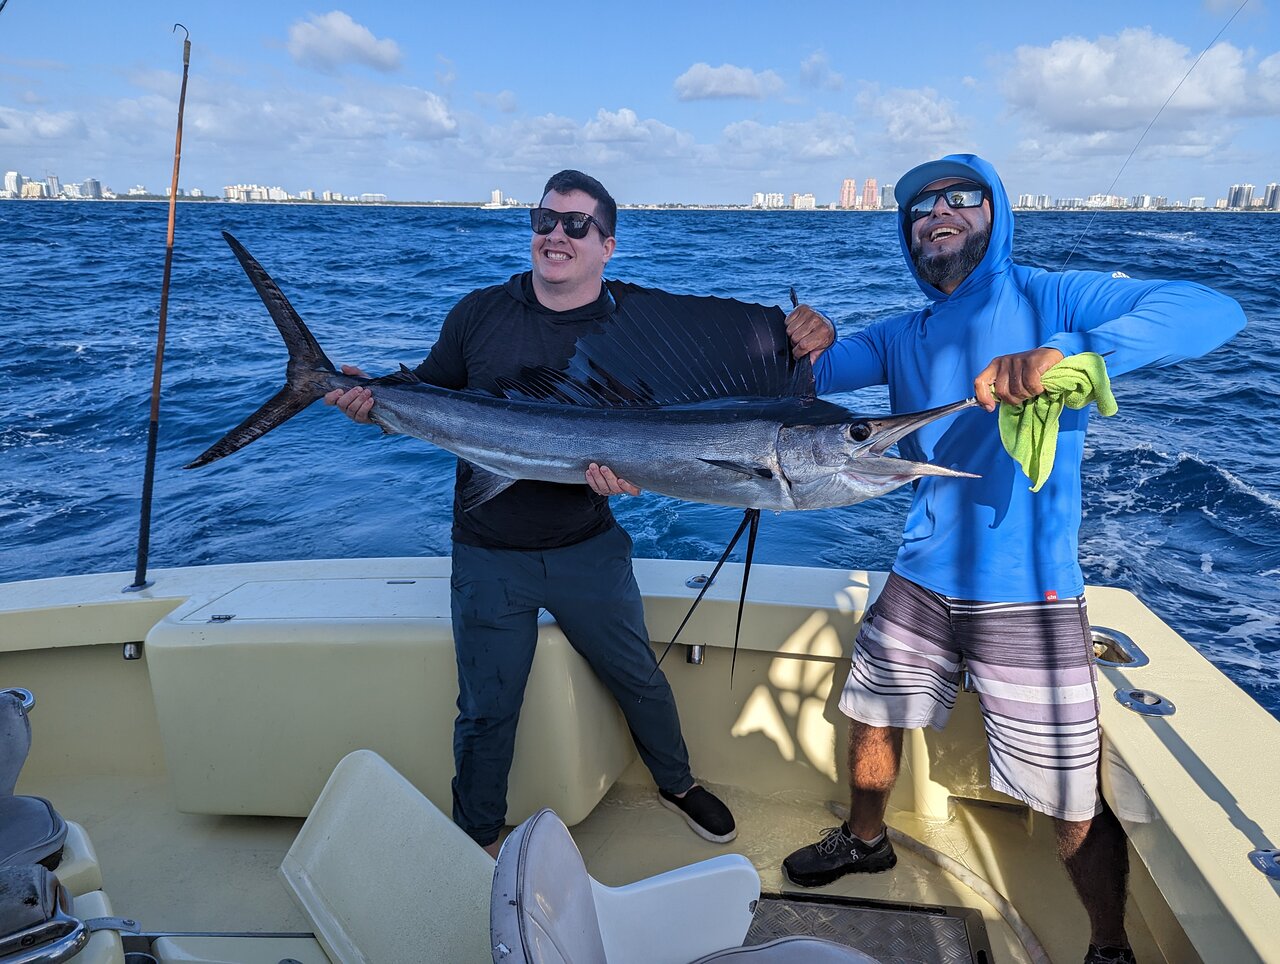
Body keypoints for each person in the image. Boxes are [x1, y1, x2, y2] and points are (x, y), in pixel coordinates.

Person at [780, 153, 1245, 964]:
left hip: (1029, 591)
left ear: (995, 212)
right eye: (920, 207)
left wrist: (1063, 352)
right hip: (919, 576)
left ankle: (1107, 944)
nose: (938, 213)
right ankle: (866, 841)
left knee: (1070, 796)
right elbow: (816, 369)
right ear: (907, 233)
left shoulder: (1051, 295)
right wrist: (807, 338)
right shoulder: (904, 333)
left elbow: (1211, 310)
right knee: (870, 715)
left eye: (960, 197)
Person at [325, 169, 735, 857]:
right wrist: (371, 404)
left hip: (587, 545)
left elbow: (662, 438)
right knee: (486, 710)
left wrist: (630, 474)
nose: (556, 235)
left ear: (609, 244)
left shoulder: (633, 325)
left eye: (576, 225)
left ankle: (678, 782)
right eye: (544, 220)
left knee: (637, 674)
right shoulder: (479, 312)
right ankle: (477, 837)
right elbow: (428, 396)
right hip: (488, 550)